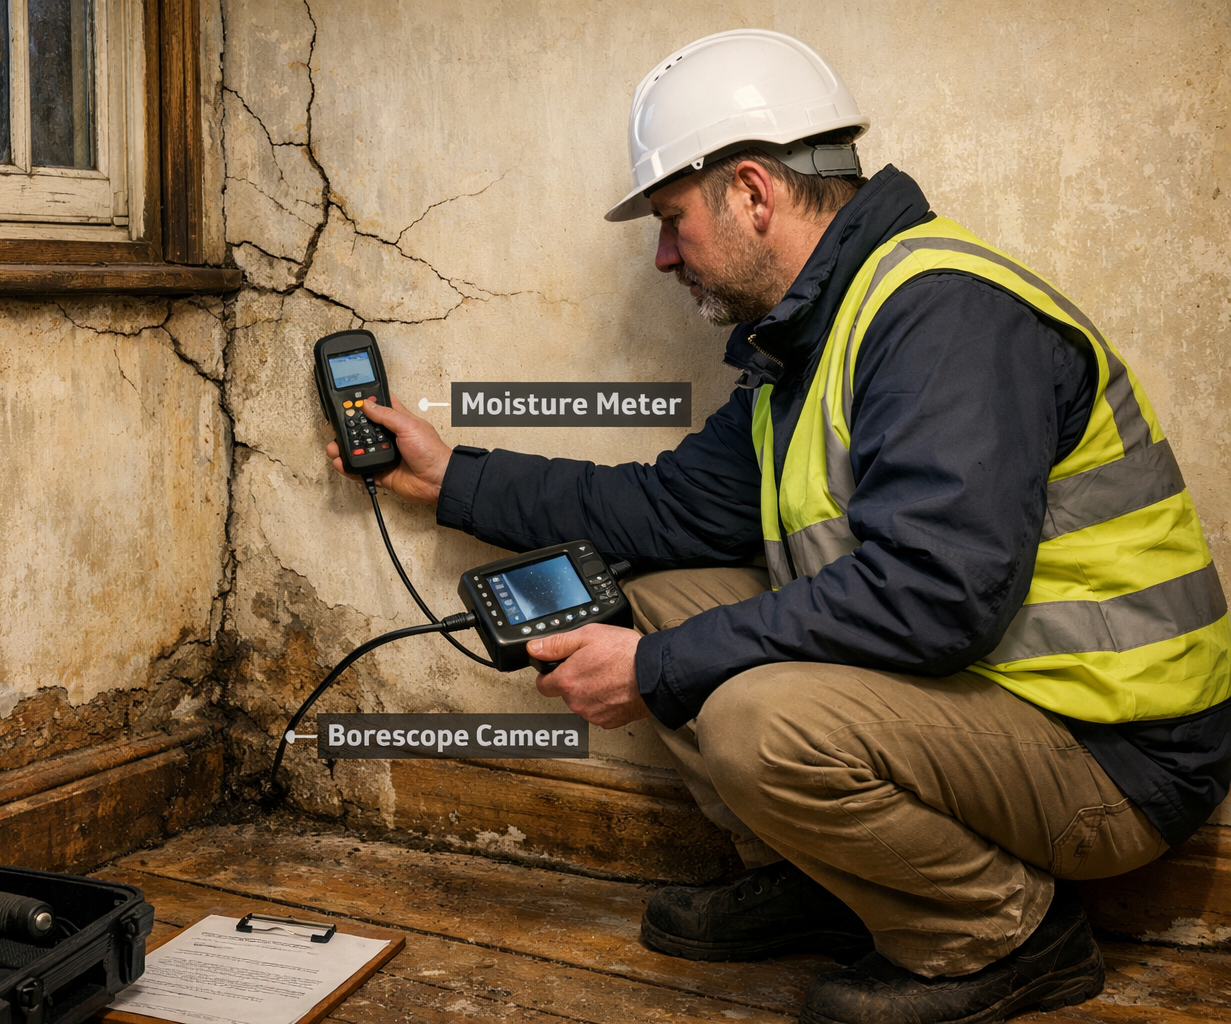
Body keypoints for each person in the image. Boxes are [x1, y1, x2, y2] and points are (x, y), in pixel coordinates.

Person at [323, 28, 1231, 1024]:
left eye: (672, 220)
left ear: (753, 191)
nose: (664, 255)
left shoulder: (944, 319)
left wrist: (655, 671)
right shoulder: (811, 341)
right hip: (993, 707)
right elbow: (659, 512)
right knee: (660, 598)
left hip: (1115, 757)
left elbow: (935, 595)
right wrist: (454, 475)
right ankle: (832, 878)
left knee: (752, 715)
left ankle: (1004, 932)